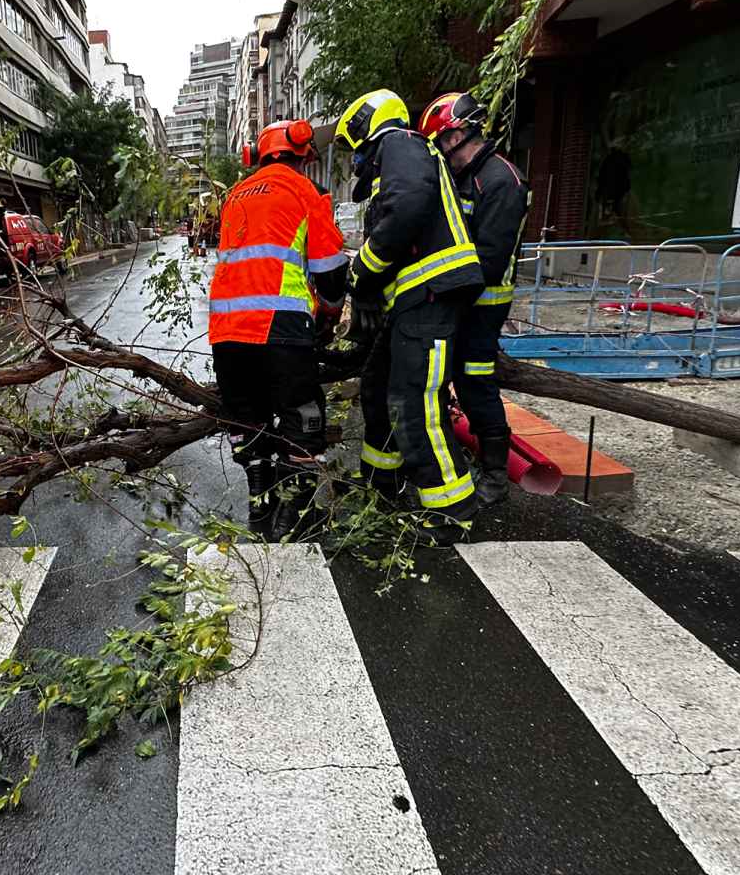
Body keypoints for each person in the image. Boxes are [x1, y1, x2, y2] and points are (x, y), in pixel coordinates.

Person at [337, 89, 484, 542]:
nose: (357, 159)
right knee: (379, 390)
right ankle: (381, 485)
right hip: (413, 302)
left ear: (367, 126)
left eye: (357, 148)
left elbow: (403, 215)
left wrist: (362, 267)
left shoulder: (399, 143)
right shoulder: (395, 156)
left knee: (414, 403)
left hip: (433, 296)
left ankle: (451, 509)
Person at [209, 119, 348, 539]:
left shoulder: (235, 195)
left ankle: (259, 506)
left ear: (258, 154)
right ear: (303, 156)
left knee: (247, 419)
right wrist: (330, 309)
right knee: (302, 418)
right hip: (279, 324)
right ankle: (294, 518)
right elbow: (329, 268)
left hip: (226, 329)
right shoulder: (304, 191)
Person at [418, 92, 530, 508]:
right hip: (458, 301)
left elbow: (488, 259)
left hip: (484, 305)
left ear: (457, 135)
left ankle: (496, 476)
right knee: (441, 376)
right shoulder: (465, 178)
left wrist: (437, 288)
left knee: (475, 382)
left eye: (443, 144)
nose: (444, 155)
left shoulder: (501, 181)